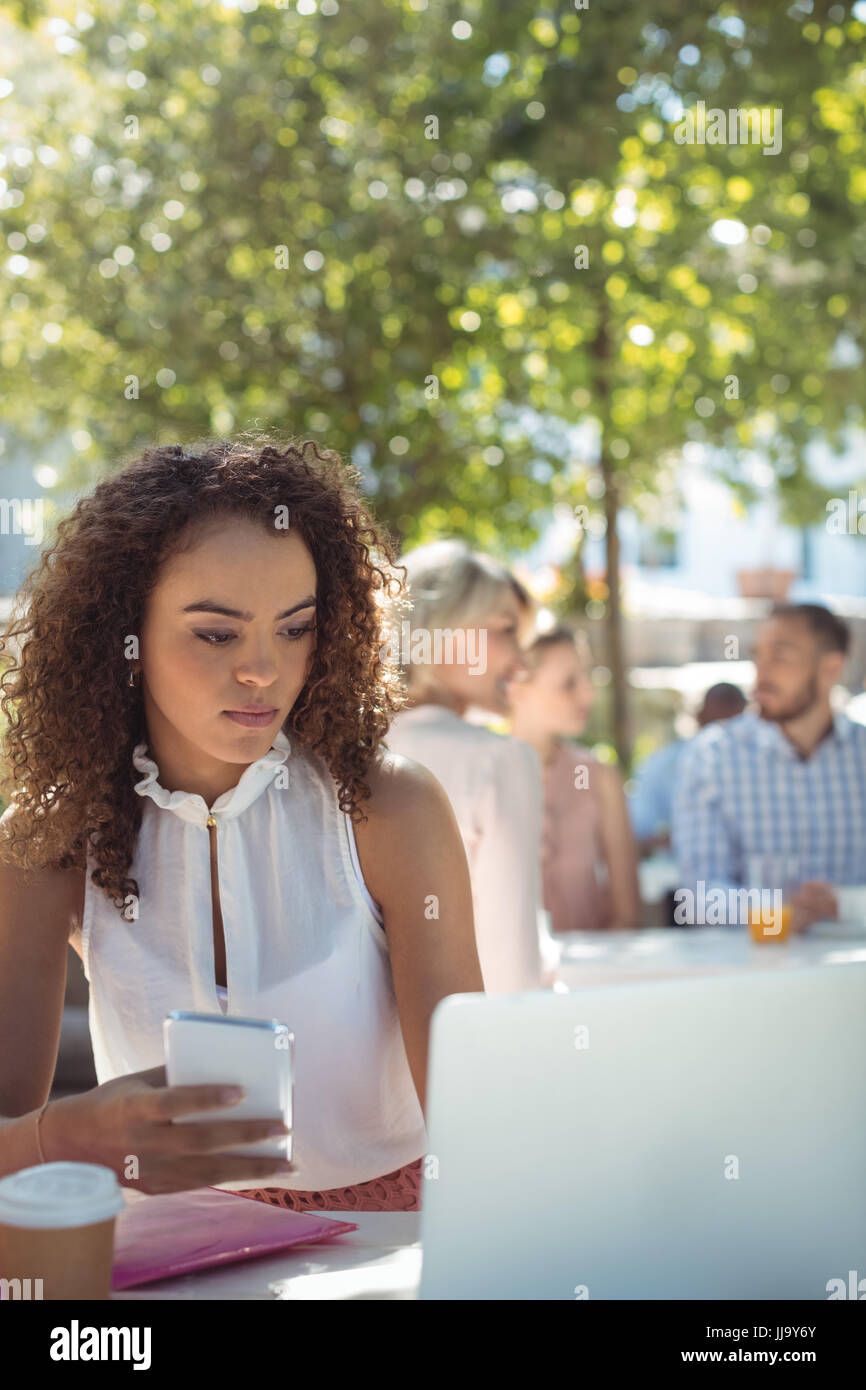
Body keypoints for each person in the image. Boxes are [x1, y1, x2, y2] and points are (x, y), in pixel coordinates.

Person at [0, 435, 483, 1213]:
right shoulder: (47, 839)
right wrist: (70, 1139)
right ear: (122, 638)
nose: (264, 669)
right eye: (216, 633)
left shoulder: (389, 809)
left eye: (295, 627)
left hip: (387, 1249)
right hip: (169, 1260)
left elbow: (483, 1129)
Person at [385, 540, 557, 993]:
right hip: (461, 1052)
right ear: (439, 628)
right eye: (505, 631)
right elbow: (512, 977)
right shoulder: (500, 761)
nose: (521, 663)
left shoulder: (329, 751)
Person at [672, 604, 866, 932]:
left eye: (781, 657)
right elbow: (696, 898)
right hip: (756, 977)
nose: (762, 673)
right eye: (758, 657)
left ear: (831, 669)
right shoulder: (711, 757)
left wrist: (843, 904)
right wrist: (776, 912)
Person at [507, 626, 641, 933]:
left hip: (591, 976)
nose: (588, 693)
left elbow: (628, 915)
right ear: (517, 688)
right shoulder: (483, 777)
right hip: (507, 979)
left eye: (586, 678)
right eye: (569, 683)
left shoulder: (601, 778)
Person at [628, 683, 747, 855]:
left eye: (733, 726)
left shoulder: (761, 767)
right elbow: (638, 834)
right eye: (716, 725)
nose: (722, 737)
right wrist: (684, 836)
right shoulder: (662, 765)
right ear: (700, 717)